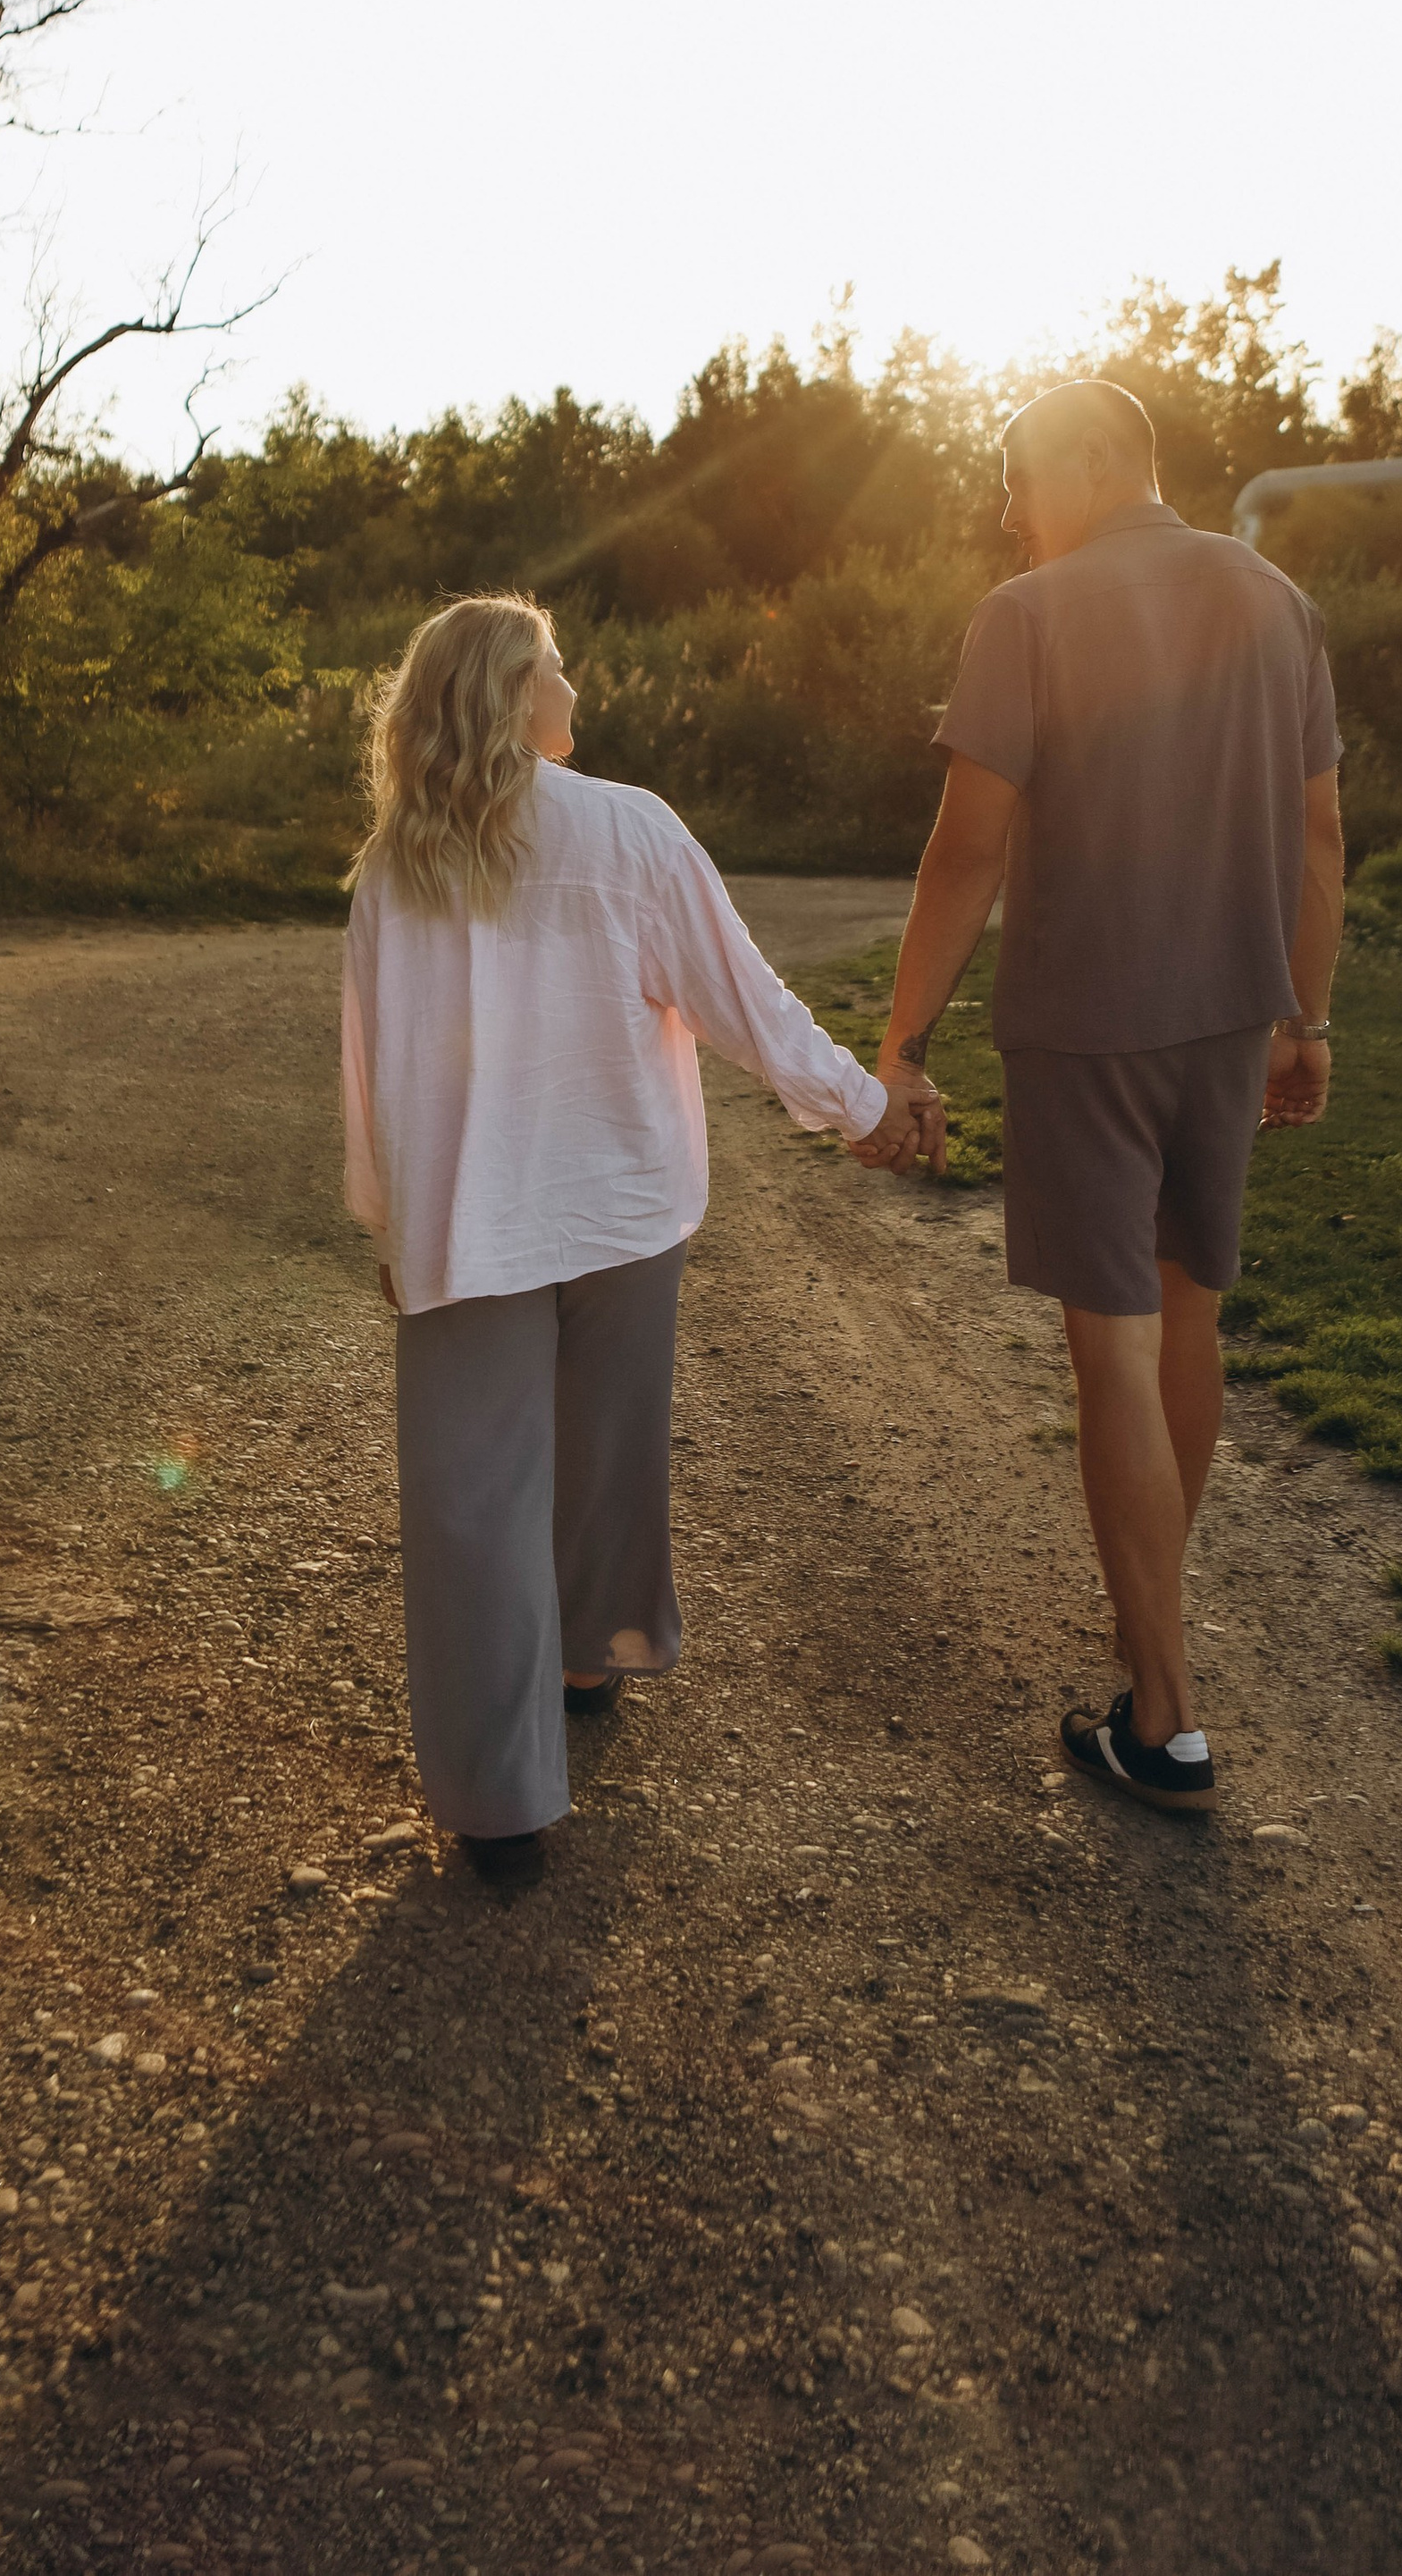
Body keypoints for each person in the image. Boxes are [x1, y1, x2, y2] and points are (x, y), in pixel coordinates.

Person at [340, 592, 926, 1884]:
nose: (576, 688)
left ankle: (501, 1808)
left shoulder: (399, 861)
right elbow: (746, 1002)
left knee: (475, 1499)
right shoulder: (631, 829)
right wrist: (864, 1106)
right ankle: (588, 1649)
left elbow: (371, 1061)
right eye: (557, 666)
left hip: (469, 1215)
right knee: (607, 1446)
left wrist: (387, 1212)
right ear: (508, 692)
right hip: (618, 1203)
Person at [863, 379, 1346, 1814]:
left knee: (1114, 1358)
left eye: (1017, 480)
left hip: (1087, 1029)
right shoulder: (1276, 601)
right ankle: (1153, 1633)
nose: (1010, 511)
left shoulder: (1029, 612)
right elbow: (1320, 831)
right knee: (1183, 1319)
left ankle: (1166, 1713)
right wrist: (1305, 1020)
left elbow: (967, 851)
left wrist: (900, 1042)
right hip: (1225, 1026)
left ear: (1089, 462)